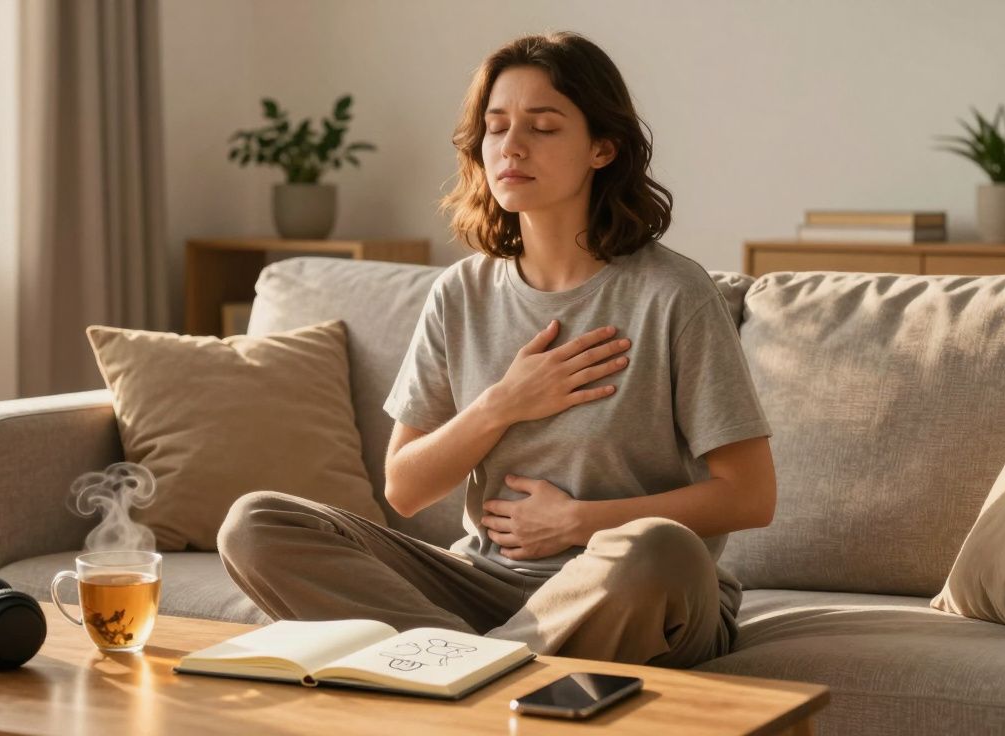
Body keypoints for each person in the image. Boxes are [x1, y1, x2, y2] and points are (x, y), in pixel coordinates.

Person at [219, 30, 776, 669]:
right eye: (496, 126)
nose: (511, 146)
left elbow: (749, 496)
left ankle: (455, 669)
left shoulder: (673, 294)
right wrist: (502, 405)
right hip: (485, 586)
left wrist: (580, 523)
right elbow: (403, 488)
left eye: (543, 127)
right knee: (256, 524)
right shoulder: (461, 293)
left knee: (659, 549)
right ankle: (481, 665)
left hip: (632, 591)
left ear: (602, 147)